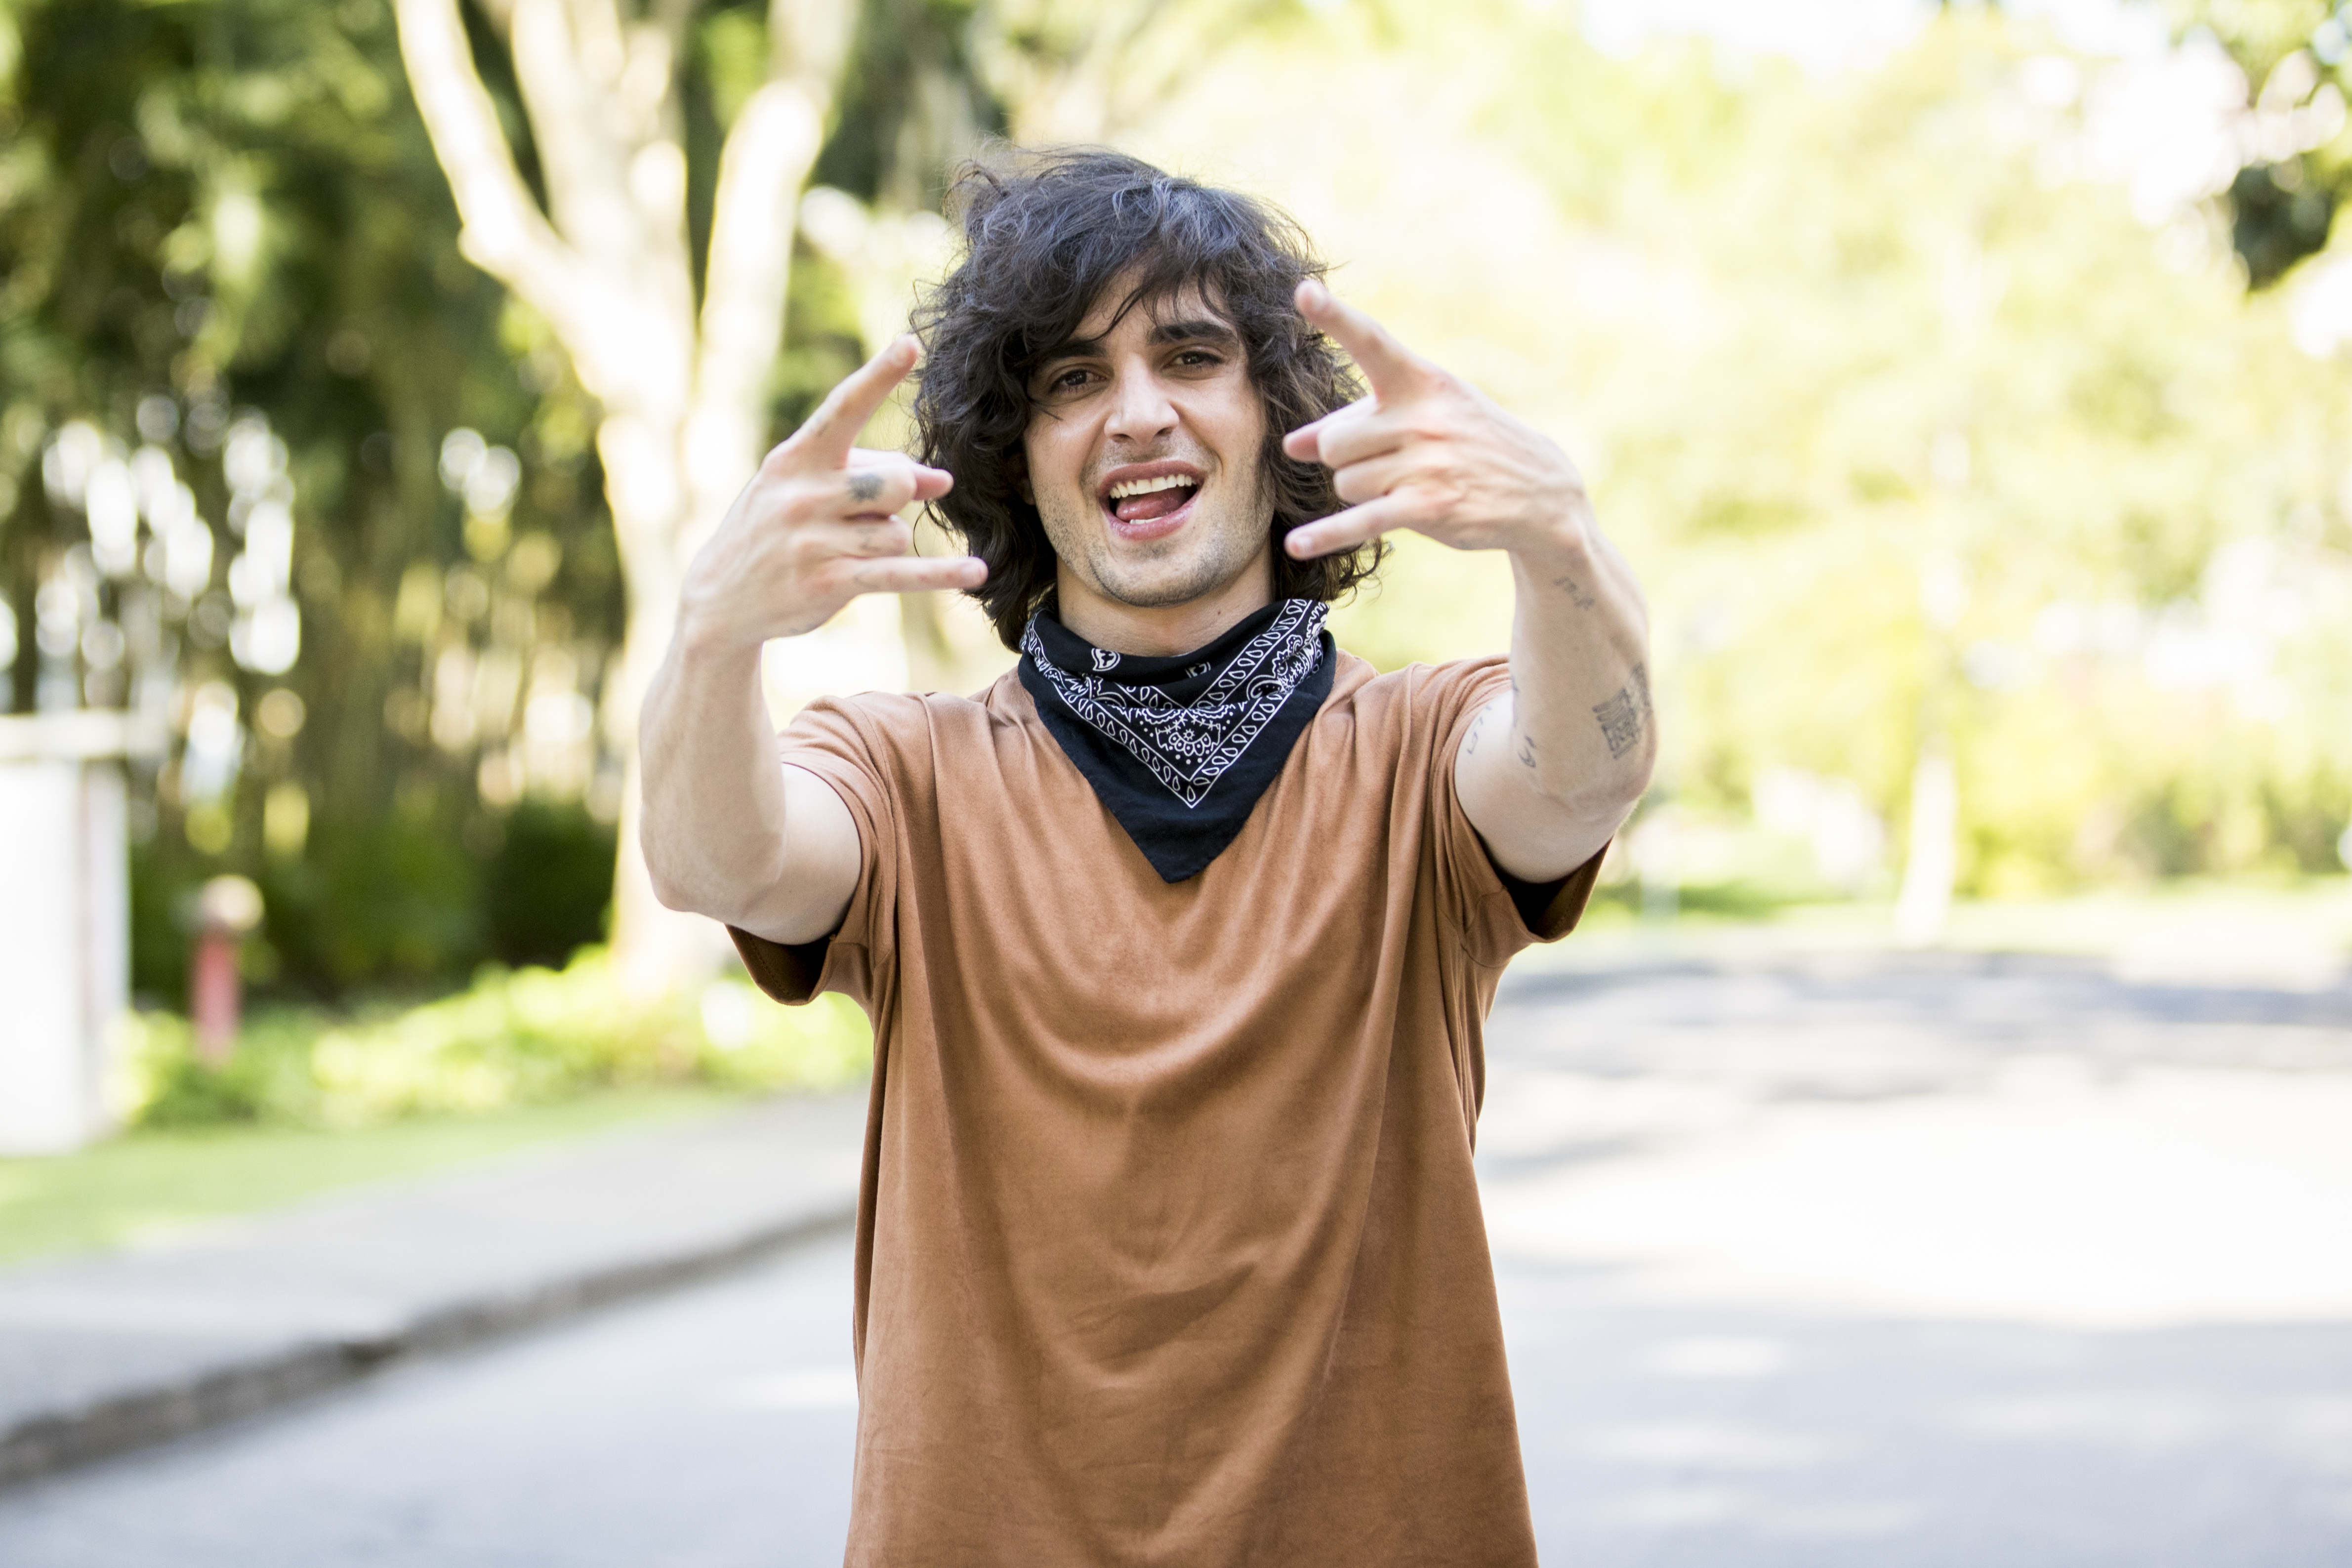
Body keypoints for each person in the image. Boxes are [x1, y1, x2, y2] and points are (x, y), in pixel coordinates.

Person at [638, 149, 1654, 1567]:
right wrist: (712, 633)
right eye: (1070, 379)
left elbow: (1579, 779)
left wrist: (1559, 546)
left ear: (1278, 420)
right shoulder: (904, 773)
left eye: (1190, 356)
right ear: (1013, 450)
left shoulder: (1417, 754)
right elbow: (718, 863)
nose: (1136, 414)